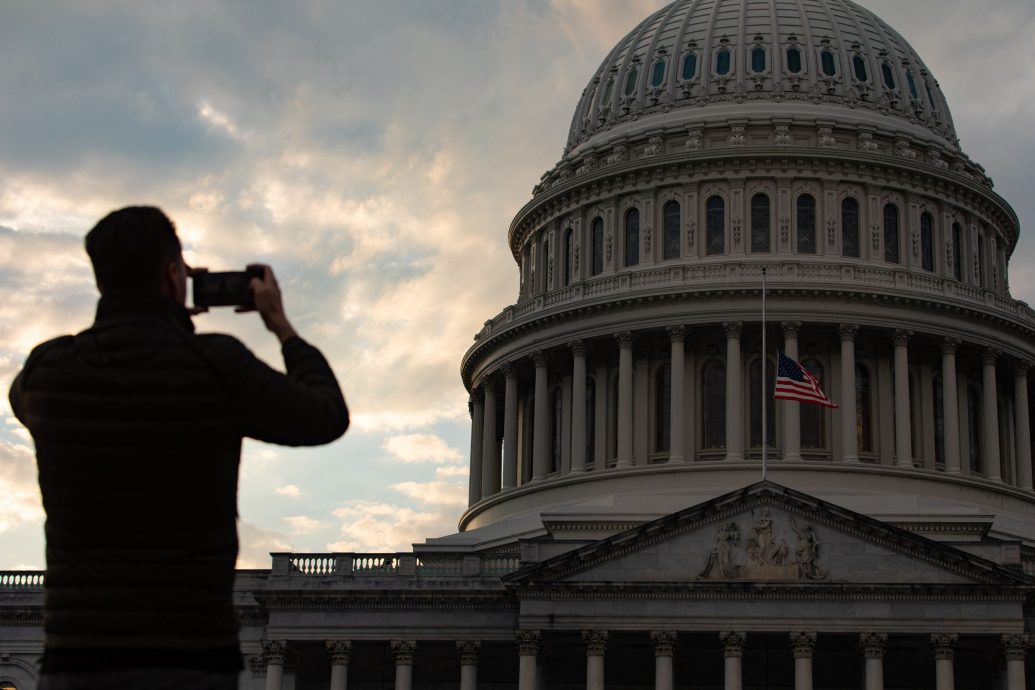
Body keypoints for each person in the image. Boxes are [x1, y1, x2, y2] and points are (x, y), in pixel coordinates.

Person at [8, 206, 350, 689]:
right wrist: (281, 326)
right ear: (174, 275)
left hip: (79, 654)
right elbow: (326, 416)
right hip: (190, 654)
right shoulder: (216, 367)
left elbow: (23, 399)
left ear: (101, 280)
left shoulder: (49, 373)